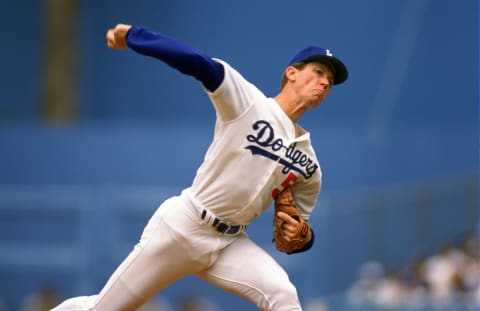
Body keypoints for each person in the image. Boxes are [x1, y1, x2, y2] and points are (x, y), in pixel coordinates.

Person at [51, 23, 348, 311]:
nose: (324, 82)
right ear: (292, 73)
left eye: (330, 81)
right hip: (184, 226)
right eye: (319, 72)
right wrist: (134, 36)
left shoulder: (309, 163)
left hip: (230, 244)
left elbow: (299, 231)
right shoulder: (249, 103)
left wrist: (303, 236)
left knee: (283, 295)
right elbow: (197, 62)